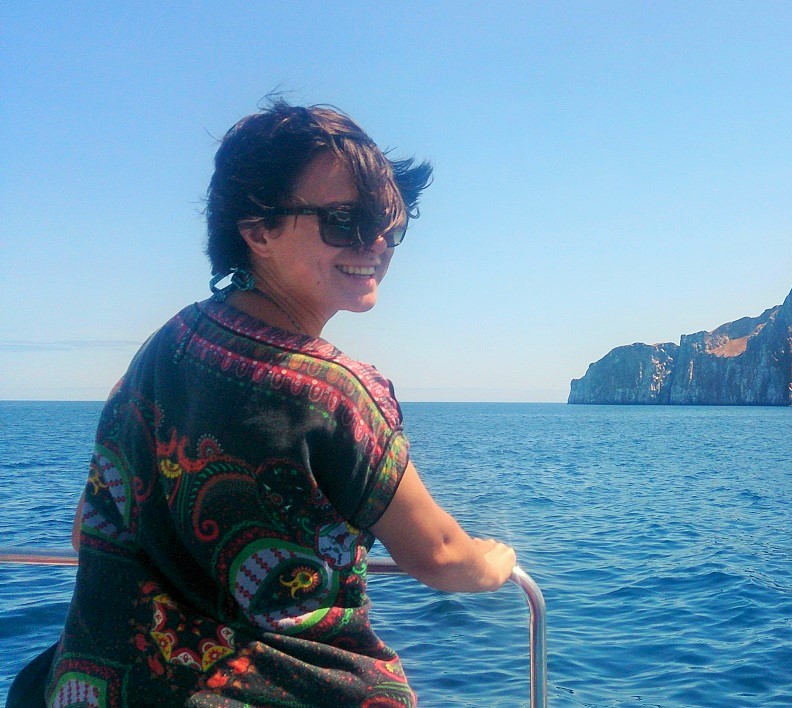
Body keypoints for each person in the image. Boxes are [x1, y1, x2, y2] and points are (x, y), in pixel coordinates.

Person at [7, 100, 516, 707]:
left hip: (93, 685)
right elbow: (439, 556)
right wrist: (494, 564)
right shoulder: (336, 392)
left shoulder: (168, 342)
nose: (377, 242)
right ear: (257, 231)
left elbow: (83, 530)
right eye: (346, 220)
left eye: (389, 222)